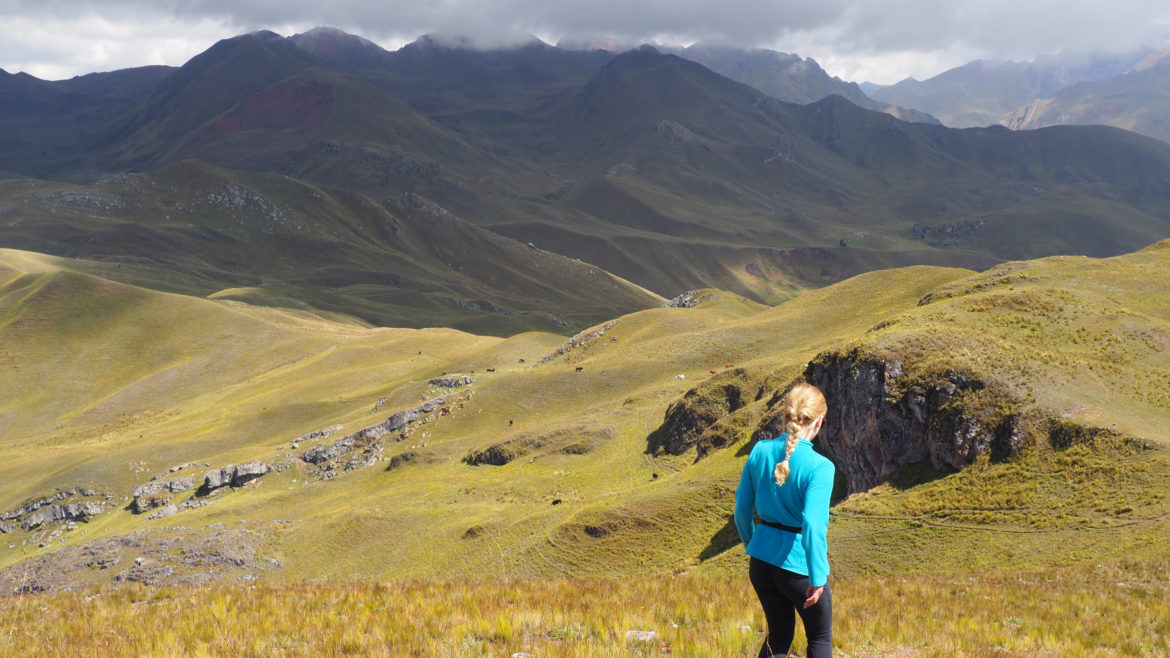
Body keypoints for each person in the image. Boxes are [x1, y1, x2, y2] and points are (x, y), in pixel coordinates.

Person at [734, 382, 834, 658]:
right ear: (819, 422)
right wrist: (817, 575)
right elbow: (813, 525)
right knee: (820, 637)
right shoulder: (821, 467)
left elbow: (741, 509)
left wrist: (752, 545)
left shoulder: (759, 451)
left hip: (762, 562)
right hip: (799, 568)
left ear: (785, 417)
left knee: (778, 635)